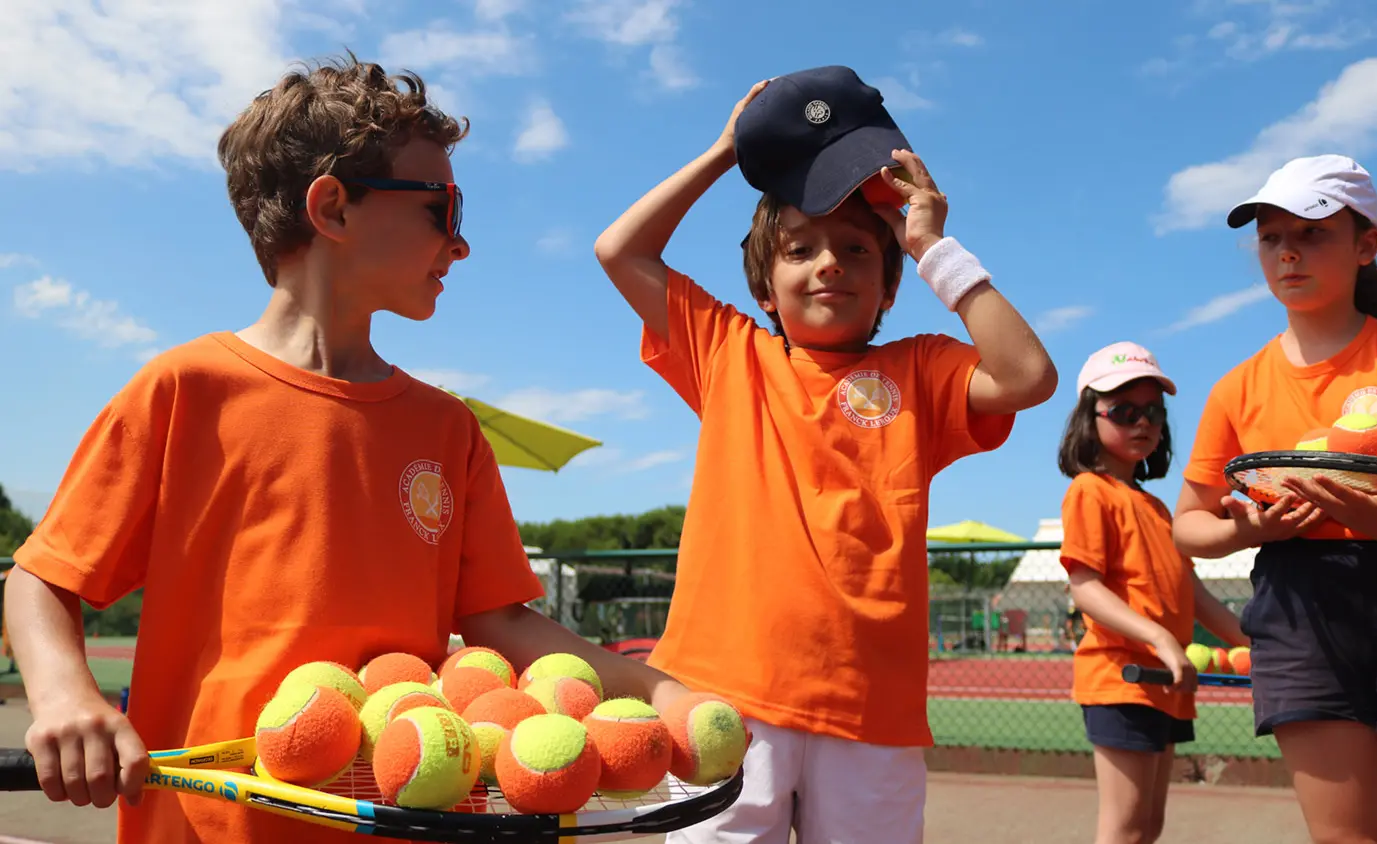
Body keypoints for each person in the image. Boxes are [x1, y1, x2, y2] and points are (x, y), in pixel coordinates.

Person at [4, 53, 691, 844]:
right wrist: (63, 696)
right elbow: (41, 579)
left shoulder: (448, 428)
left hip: (408, 822)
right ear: (331, 207)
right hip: (203, 827)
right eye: (443, 210)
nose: (460, 246)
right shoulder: (185, 389)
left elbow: (503, 621)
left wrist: (660, 688)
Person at [593, 66, 1057, 843]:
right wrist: (724, 151)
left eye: (855, 250)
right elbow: (620, 249)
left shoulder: (920, 367)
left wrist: (934, 243)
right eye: (800, 250)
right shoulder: (727, 351)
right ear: (765, 290)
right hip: (724, 695)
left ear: (889, 290)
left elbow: (1029, 376)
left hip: (870, 708)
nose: (829, 263)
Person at [1172, 154, 1377, 844]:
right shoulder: (1237, 387)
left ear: (1367, 245)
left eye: (1312, 233)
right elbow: (1191, 526)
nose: (1287, 251)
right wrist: (1249, 531)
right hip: (1298, 603)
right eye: (1270, 237)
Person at [1057, 342, 1249, 844]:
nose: (1141, 422)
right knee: (1124, 827)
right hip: (1122, 677)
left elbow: (1195, 594)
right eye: (1123, 411)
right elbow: (1085, 586)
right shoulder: (1089, 491)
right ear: (1089, 418)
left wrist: (1258, 642)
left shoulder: (1159, 509)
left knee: (1148, 826)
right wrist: (1161, 639)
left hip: (1165, 682)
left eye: (1153, 412)